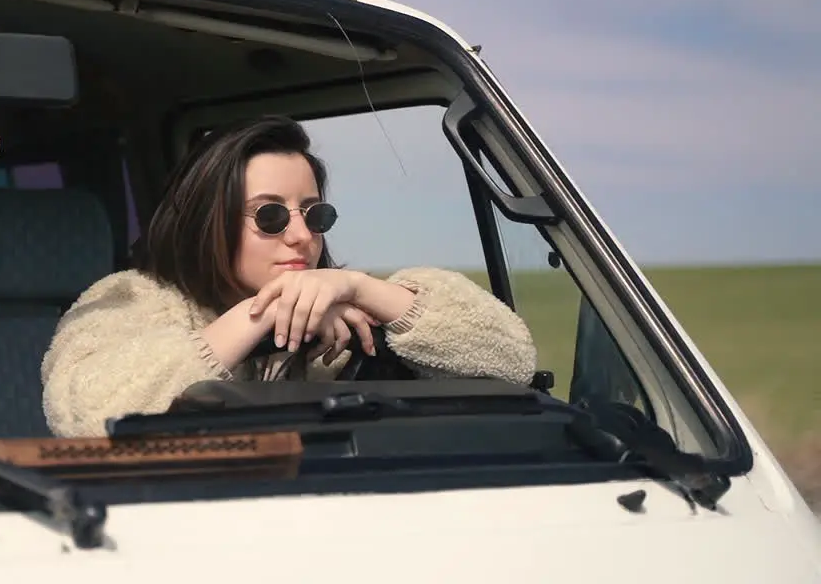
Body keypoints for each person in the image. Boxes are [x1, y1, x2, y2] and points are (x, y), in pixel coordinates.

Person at [40, 115, 537, 438]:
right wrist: (258, 318)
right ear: (205, 222)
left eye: (314, 214)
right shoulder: (130, 299)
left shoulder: (345, 298)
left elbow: (511, 362)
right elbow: (86, 416)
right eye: (270, 216)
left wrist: (362, 288)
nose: (301, 236)